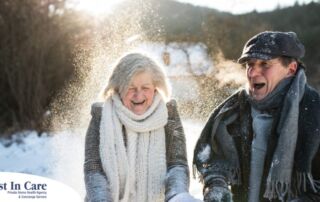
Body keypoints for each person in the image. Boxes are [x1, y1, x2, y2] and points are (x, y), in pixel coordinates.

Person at [193, 31, 320, 202]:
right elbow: (215, 158)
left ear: (291, 69)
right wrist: (216, 184)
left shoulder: (314, 110)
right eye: (250, 64)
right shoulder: (235, 110)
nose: (253, 73)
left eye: (265, 64)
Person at [84, 53, 201, 202]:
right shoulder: (101, 117)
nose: (138, 95)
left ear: (155, 87)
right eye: (130, 88)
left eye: (145, 87)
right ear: (118, 88)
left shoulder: (168, 114)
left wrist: (176, 197)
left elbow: (177, 165)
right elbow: (93, 169)